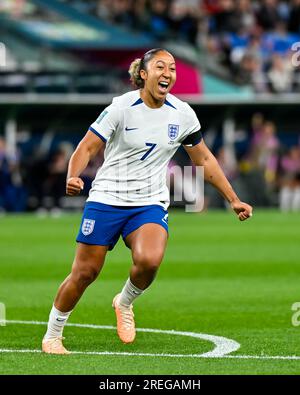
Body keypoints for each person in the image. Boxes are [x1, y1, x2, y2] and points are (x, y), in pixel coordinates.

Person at [42, 48, 253, 354]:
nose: (167, 73)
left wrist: (232, 198)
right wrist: (72, 176)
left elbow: (204, 158)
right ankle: (53, 334)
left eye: (172, 68)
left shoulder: (182, 113)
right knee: (85, 272)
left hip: (149, 202)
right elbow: (86, 148)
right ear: (143, 73)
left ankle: (124, 302)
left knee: (149, 261)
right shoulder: (121, 107)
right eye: (160, 67)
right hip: (107, 199)